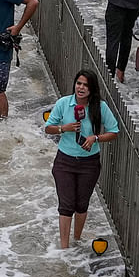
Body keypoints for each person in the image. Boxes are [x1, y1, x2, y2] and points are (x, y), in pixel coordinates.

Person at [44, 71, 119, 248]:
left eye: (85, 85)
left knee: (81, 203)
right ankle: (64, 248)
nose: (81, 88)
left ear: (92, 89)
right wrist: (64, 128)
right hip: (65, 161)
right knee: (66, 204)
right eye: (79, 83)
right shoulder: (64, 103)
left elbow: (114, 131)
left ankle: (76, 239)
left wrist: (96, 138)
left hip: (89, 163)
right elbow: (48, 128)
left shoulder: (100, 107)